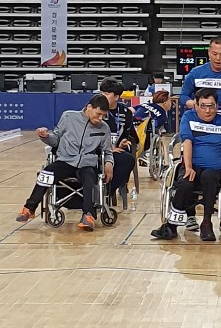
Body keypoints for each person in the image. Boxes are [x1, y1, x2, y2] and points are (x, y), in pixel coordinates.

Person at [152, 87, 221, 241]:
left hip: (215, 170)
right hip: (192, 165)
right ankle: (171, 225)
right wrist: (189, 167)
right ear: (196, 105)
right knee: (186, 183)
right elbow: (187, 142)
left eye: (211, 106)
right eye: (203, 106)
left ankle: (206, 224)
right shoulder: (188, 117)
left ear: (216, 106)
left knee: (209, 176)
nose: (207, 110)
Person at [15, 94, 114, 232]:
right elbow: (55, 139)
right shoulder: (68, 117)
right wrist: (45, 136)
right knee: (46, 174)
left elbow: (107, 151)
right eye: (98, 114)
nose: (100, 118)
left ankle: (88, 215)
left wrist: (109, 164)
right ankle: (29, 209)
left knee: (90, 178)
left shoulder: (104, 128)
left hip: (87, 164)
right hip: (65, 161)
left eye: (103, 115)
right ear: (89, 107)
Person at [99, 77, 138, 196]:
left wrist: (123, 142)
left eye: (106, 94)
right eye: (101, 93)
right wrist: (108, 148)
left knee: (128, 159)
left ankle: (109, 191)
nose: (102, 96)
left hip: (116, 149)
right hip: (96, 149)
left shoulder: (126, 112)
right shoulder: (94, 108)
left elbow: (126, 133)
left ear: (116, 97)